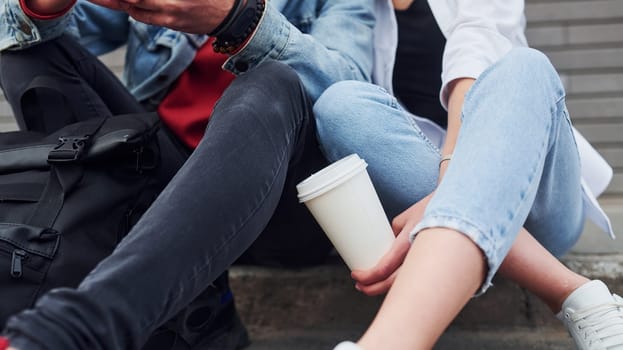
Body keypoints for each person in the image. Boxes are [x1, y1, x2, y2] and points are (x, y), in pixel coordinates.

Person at [0, 0, 394, 349]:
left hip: (281, 203)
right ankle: (190, 302)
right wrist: (42, 6)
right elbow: (24, 24)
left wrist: (239, 20)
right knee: (25, 42)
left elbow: (349, 93)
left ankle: (87, 325)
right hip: (163, 176)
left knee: (275, 81)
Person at [313, 1, 623, 349]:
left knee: (524, 66)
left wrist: (449, 182)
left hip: (537, 201)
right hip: (421, 196)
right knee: (339, 105)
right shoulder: (354, 9)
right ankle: (578, 294)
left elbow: (475, 49)